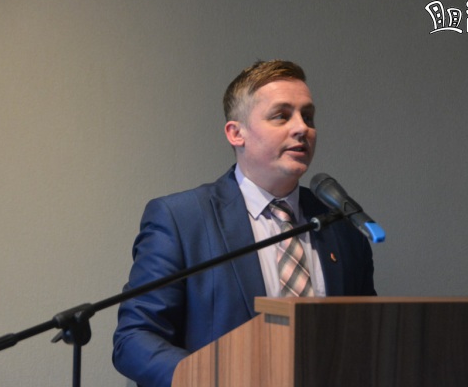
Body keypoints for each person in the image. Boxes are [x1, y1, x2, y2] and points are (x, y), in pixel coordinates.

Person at [112, 60, 376, 387]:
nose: (302, 128)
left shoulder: (342, 224)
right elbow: (135, 338)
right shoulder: (182, 220)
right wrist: (206, 379)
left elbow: (367, 337)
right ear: (236, 133)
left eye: (308, 117)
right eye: (282, 116)